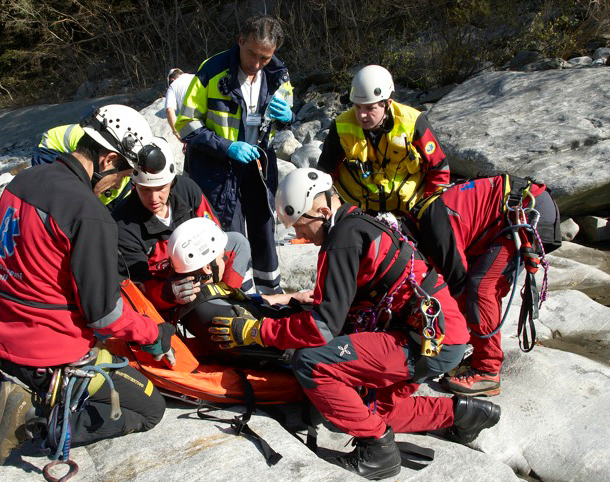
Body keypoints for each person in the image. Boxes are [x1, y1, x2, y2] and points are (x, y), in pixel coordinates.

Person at [209, 168, 501, 480]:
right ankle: (465, 414)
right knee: (366, 409)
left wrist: (258, 332)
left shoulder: (342, 239)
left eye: (301, 227)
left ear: (322, 211)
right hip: (438, 336)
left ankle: (377, 449)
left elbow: (322, 328)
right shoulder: (358, 223)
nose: (302, 238)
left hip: (425, 339)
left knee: (312, 362)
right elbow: (342, 305)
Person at [0, 104, 171, 469]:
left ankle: (19, 392)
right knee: (149, 407)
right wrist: (153, 332)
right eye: (123, 175)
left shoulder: (21, 183)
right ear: (108, 159)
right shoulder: (88, 213)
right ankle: (34, 422)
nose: (118, 185)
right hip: (49, 356)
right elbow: (104, 315)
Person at [410, 174, 562, 396]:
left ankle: (487, 369)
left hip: (528, 212)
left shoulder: (434, 226)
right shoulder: (426, 223)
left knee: (481, 287)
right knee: (479, 288)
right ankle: (481, 352)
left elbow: (458, 285)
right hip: (513, 211)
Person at [175, 15, 294, 294]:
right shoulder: (212, 71)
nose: (255, 64)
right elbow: (186, 125)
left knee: (265, 230)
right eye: (251, 53)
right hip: (217, 169)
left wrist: (288, 117)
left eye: (264, 58)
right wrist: (227, 147)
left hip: (259, 165)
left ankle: (270, 293)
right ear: (240, 40)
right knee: (230, 234)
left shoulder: (279, 74)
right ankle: (237, 295)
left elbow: (285, 115)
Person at [112, 136, 254, 314]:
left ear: (172, 182)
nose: (154, 198)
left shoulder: (187, 190)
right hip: (166, 289)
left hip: (203, 269)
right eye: (146, 190)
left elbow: (215, 232)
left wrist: (214, 268)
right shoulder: (123, 224)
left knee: (238, 242)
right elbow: (140, 288)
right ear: (135, 184)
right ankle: (216, 312)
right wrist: (169, 293)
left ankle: (230, 299)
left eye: (160, 188)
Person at [166, 216, 312, 361]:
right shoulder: (220, 315)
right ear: (208, 268)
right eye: (222, 257)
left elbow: (247, 303)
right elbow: (286, 348)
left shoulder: (204, 297)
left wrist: (293, 297)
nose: (225, 260)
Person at [317, 65, 449, 214]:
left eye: (369, 108)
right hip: (359, 209)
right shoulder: (341, 126)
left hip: (407, 209)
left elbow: (438, 168)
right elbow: (324, 172)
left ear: (387, 103)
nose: (362, 115)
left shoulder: (413, 123)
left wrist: (430, 210)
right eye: (358, 107)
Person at [31, 121, 138, 209]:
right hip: (52, 148)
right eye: (123, 177)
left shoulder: (125, 181)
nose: (118, 185)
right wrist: (91, 197)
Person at [165, 68, 195, 142]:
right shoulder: (196, 76)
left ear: (172, 80)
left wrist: (177, 132)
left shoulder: (173, 86)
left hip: (194, 127)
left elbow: (169, 111)